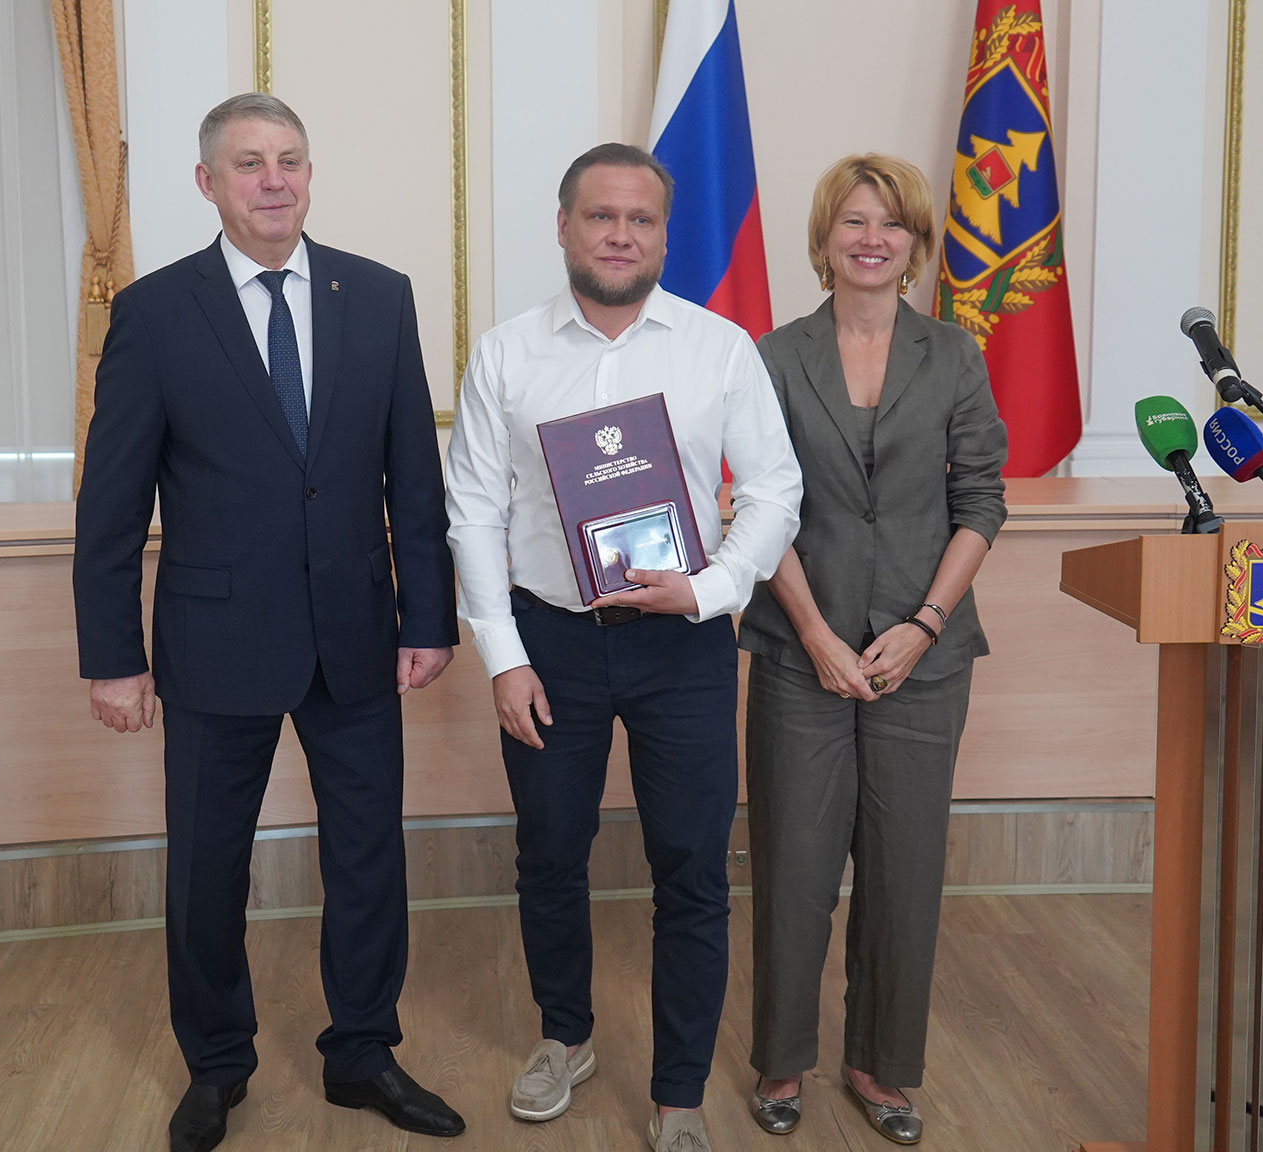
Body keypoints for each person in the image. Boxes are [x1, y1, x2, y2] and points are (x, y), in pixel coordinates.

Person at [73, 93, 464, 1152]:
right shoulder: (155, 313)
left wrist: (428, 617)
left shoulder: (378, 297)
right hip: (214, 644)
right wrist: (113, 657)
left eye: (290, 158)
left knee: (369, 859)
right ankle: (216, 1063)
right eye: (249, 163)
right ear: (208, 183)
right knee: (207, 868)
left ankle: (364, 1053)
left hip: (356, 637)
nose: (274, 179)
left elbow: (412, 480)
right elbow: (112, 504)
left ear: (309, 173)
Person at [445, 142, 803, 1152]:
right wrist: (504, 657)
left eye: (640, 219)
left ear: (664, 236)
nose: (620, 234)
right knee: (549, 854)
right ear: (563, 227)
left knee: (691, 868)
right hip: (549, 644)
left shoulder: (719, 348)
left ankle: (679, 1092)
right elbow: (472, 511)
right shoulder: (506, 354)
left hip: (682, 646)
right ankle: (565, 1038)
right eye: (600, 216)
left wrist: (712, 589)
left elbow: (775, 490)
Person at [738, 153, 1008, 1144]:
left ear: (916, 244)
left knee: (904, 873)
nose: (872, 239)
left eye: (892, 224)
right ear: (824, 239)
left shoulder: (955, 355)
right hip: (796, 648)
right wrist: (815, 633)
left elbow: (981, 500)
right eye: (853, 221)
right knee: (794, 867)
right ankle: (783, 1058)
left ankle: (881, 1067)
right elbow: (760, 507)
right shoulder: (771, 355)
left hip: (922, 659)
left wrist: (924, 623)